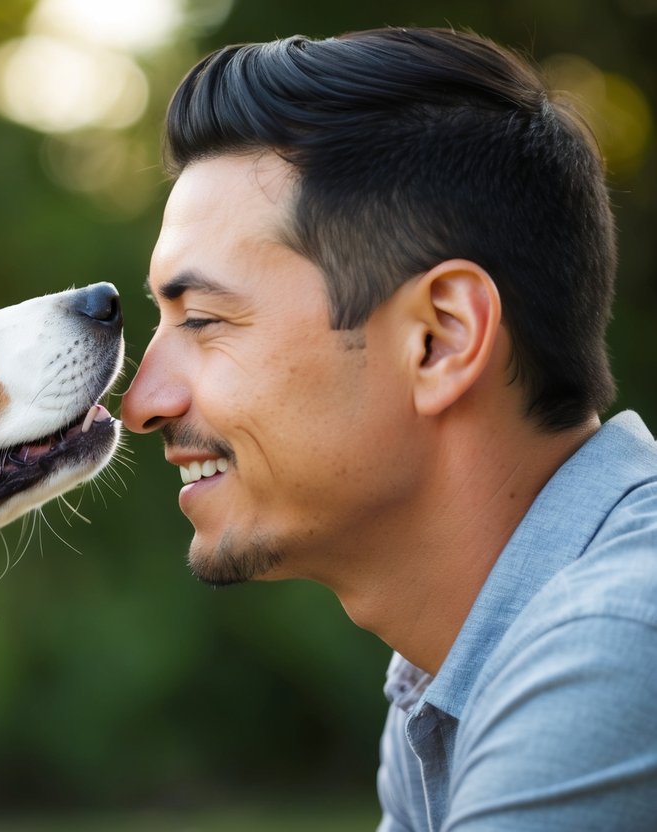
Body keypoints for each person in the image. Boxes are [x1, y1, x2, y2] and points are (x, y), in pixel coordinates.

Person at [120, 26, 657, 830]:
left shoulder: (613, 646)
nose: (140, 404)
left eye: (201, 319)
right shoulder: (439, 676)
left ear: (439, 338)